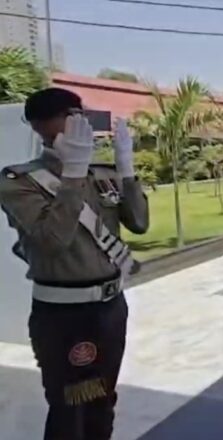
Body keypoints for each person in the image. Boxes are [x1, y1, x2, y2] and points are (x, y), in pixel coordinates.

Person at [0, 88, 149, 439]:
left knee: (103, 400)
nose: (77, 120)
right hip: (64, 316)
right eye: (67, 113)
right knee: (70, 406)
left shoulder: (100, 173)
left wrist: (127, 172)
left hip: (110, 308)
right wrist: (72, 174)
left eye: (79, 112)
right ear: (39, 125)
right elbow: (53, 242)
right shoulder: (19, 181)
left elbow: (139, 223)